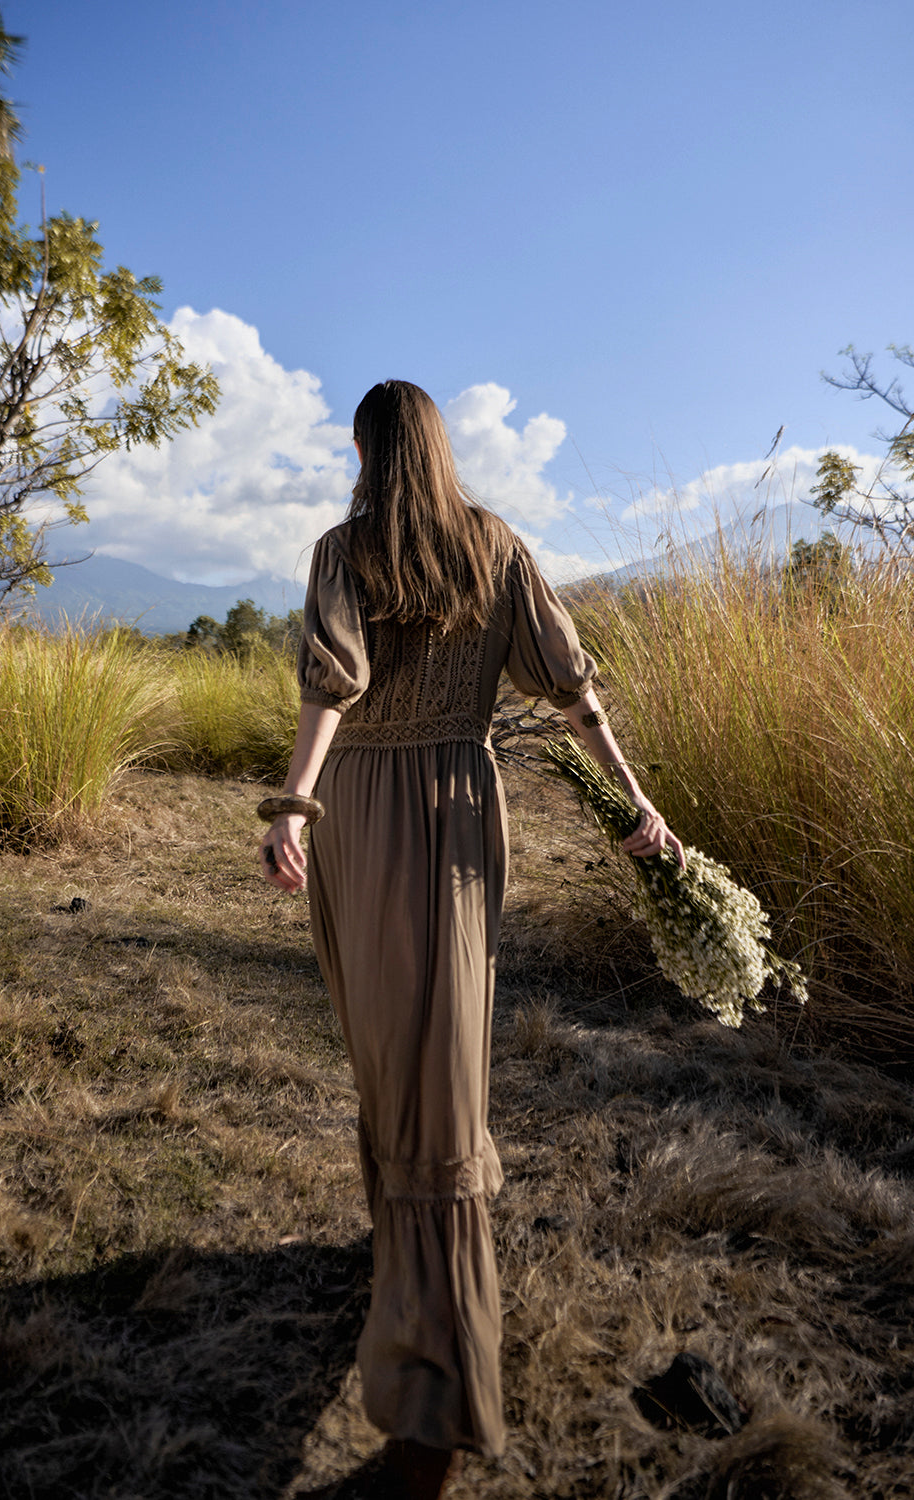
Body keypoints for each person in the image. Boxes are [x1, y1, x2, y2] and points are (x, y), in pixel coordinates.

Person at [259, 381, 684, 1500]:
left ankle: (437, 1394)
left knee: (414, 1075)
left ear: (361, 448)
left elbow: (328, 687)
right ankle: (403, 1281)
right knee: (423, 1060)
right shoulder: (494, 547)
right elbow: (570, 688)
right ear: (440, 449)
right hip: (455, 812)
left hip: (360, 811)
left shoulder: (342, 550)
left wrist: (295, 806)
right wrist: (636, 801)